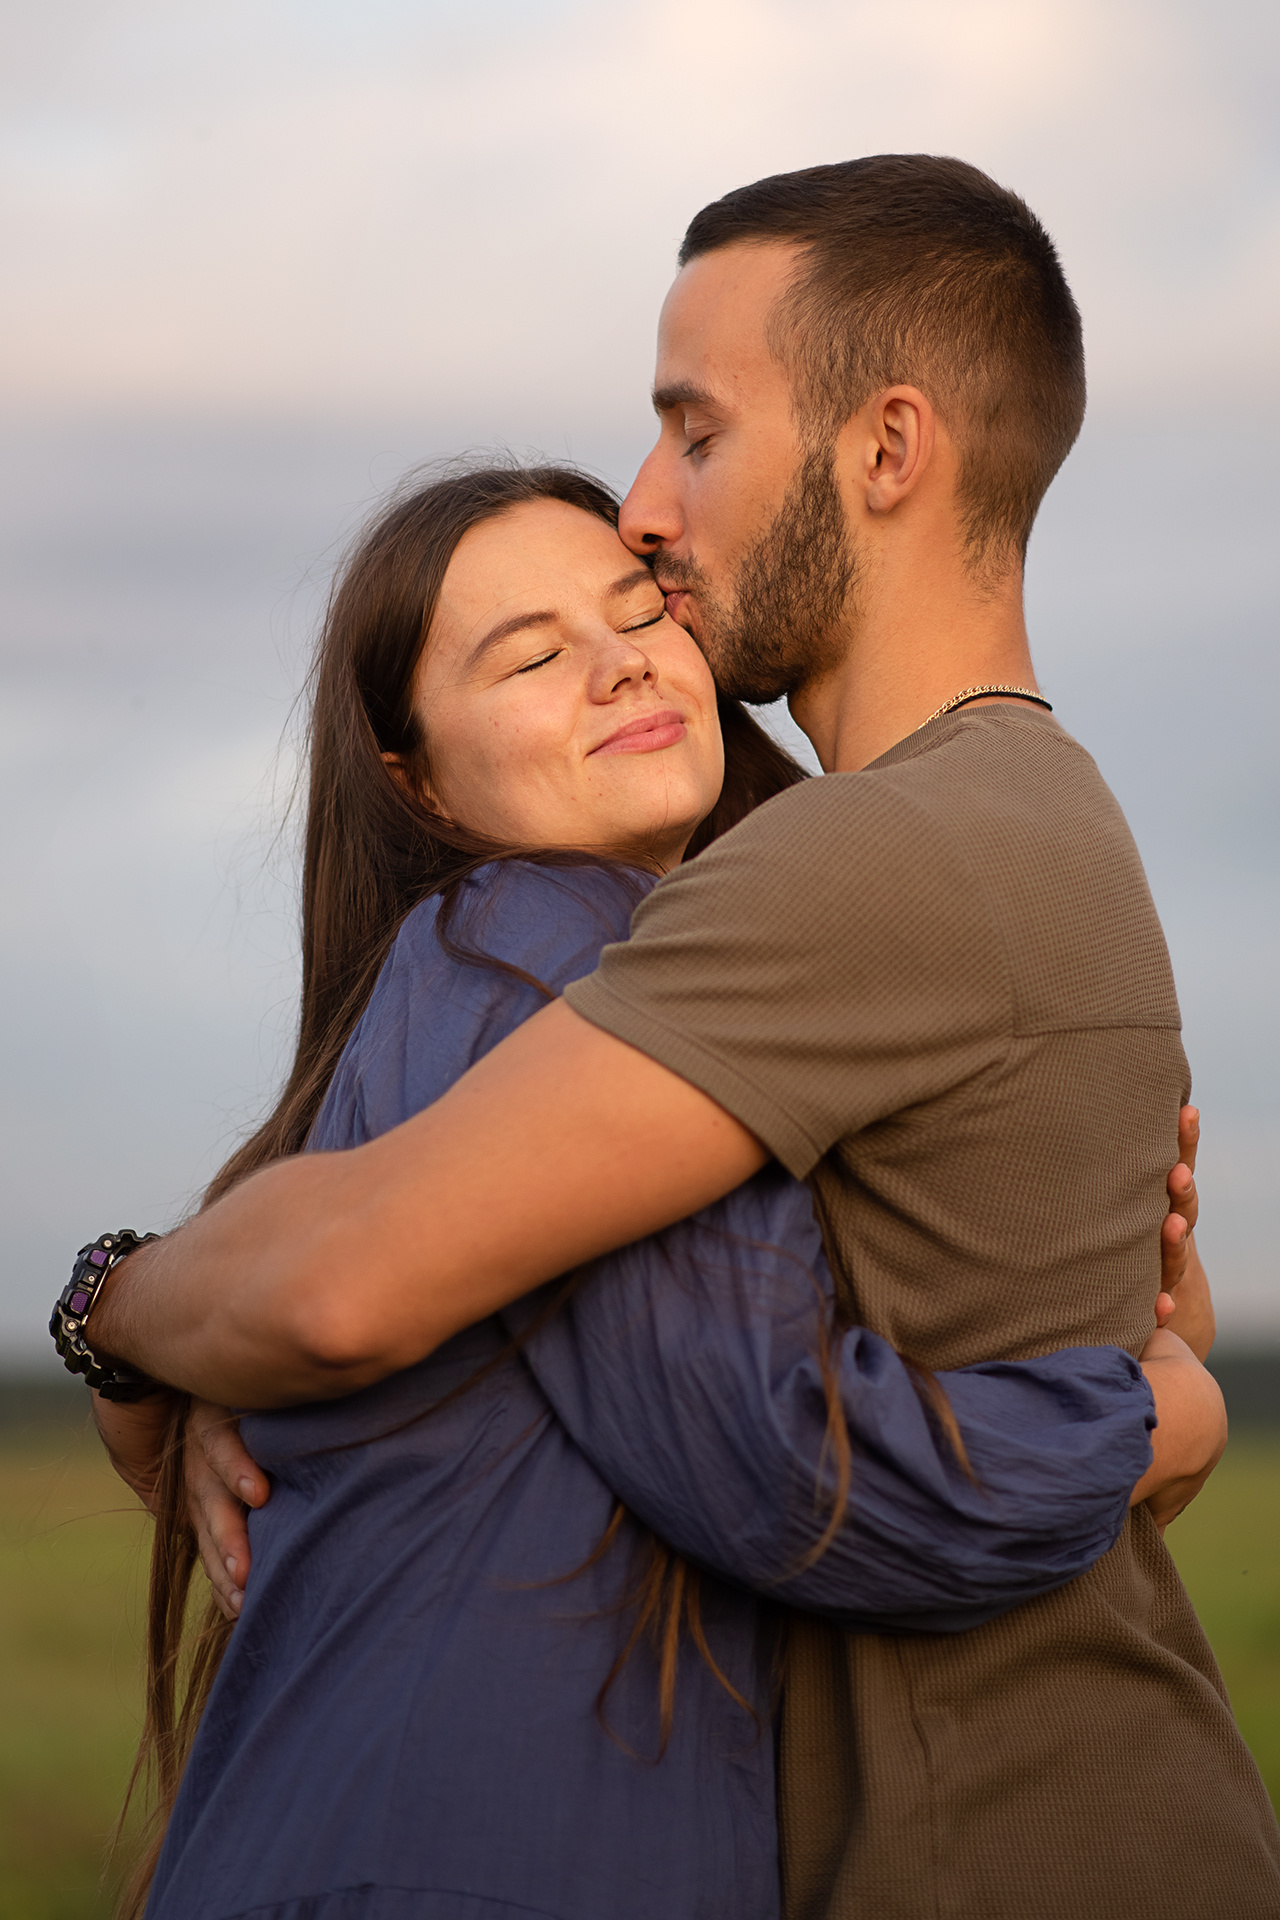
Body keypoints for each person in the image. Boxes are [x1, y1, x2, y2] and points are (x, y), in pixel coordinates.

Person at [83, 156, 1280, 1918]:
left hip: (996, 1848)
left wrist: (122, 1310)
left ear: (886, 451)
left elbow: (373, 1294)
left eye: (695, 436)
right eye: (529, 649)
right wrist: (1147, 1414)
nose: (649, 511)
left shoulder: (864, 858)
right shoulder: (1022, 816)